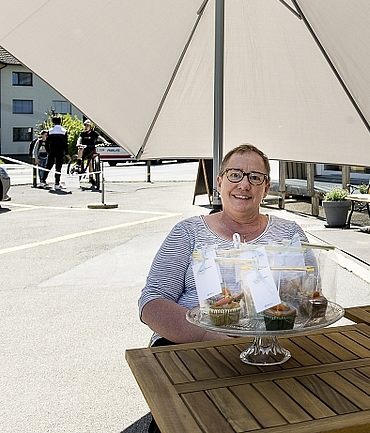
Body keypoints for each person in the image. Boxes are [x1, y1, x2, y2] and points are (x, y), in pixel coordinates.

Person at [139, 143, 306, 346]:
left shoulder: (289, 234)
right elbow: (152, 302)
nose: (244, 185)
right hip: (188, 347)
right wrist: (208, 337)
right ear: (219, 183)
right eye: (235, 175)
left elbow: (307, 302)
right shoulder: (188, 232)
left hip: (270, 349)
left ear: (266, 189)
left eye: (255, 177)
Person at [76, 120, 105, 184]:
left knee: (90, 163)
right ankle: (78, 163)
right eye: (85, 125)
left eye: (87, 125)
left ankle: (91, 178)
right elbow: (79, 139)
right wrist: (78, 143)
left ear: (90, 127)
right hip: (84, 149)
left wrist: (105, 142)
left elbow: (100, 137)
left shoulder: (94, 133)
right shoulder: (82, 133)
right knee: (80, 149)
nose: (86, 127)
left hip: (91, 149)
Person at [45, 117, 68, 191]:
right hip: (60, 151)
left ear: (53, 123)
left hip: (52, 150)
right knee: (58, 168)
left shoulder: (50, 131)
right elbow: (65, 144)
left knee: (48, 166)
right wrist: (67, 153)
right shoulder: (64, 131)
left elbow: (46, 143)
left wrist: (48, 151)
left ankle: (43, 180)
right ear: (60, 122)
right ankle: (57, 183)